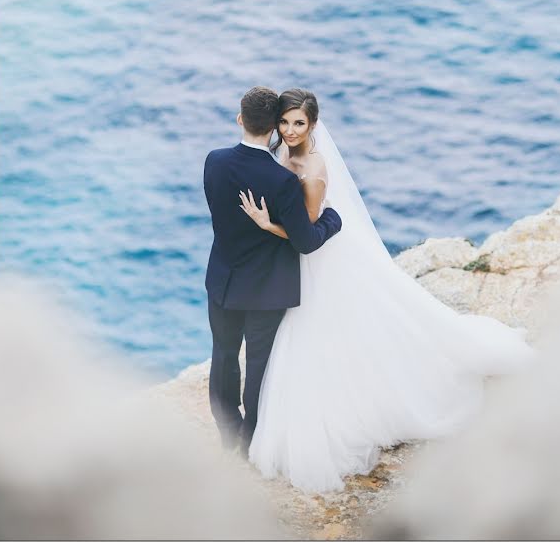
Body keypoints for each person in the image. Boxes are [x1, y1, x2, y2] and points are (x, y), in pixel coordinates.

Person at [238, 88, 534, 493]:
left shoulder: (315, 168)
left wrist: (263, 223)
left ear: (313, 125)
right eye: (285, 122)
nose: (289, 130)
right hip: (299, 260)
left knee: (324, 328)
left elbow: (305, 234)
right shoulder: (279, 153)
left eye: (299, 123)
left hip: (319, 258)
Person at [203, 86, 342, 460]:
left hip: (223, 280)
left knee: (223, 354)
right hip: (266, 288)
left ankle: (227, 432)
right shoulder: (282, 181)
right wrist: (332, 219)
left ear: (240, 119)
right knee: (259, 364)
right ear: (274, 128)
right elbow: (306, 241)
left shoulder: (214, 161)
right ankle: (250, 442)